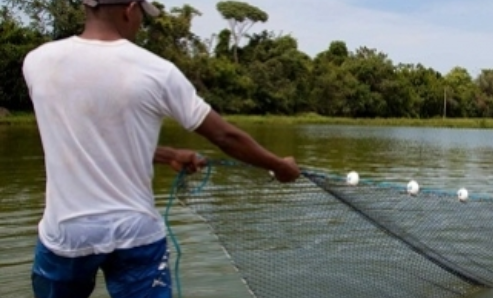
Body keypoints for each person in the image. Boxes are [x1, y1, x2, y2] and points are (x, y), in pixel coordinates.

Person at [21, 0, 301, 297]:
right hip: (136, 234)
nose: (141, 22)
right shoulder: (157, 71)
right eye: (142, 13)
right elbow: (225, 137)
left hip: (66, 234)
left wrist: (168, 155)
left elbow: (85, 141)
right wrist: (279, 166)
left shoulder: (38, 62)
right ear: (129, 9)